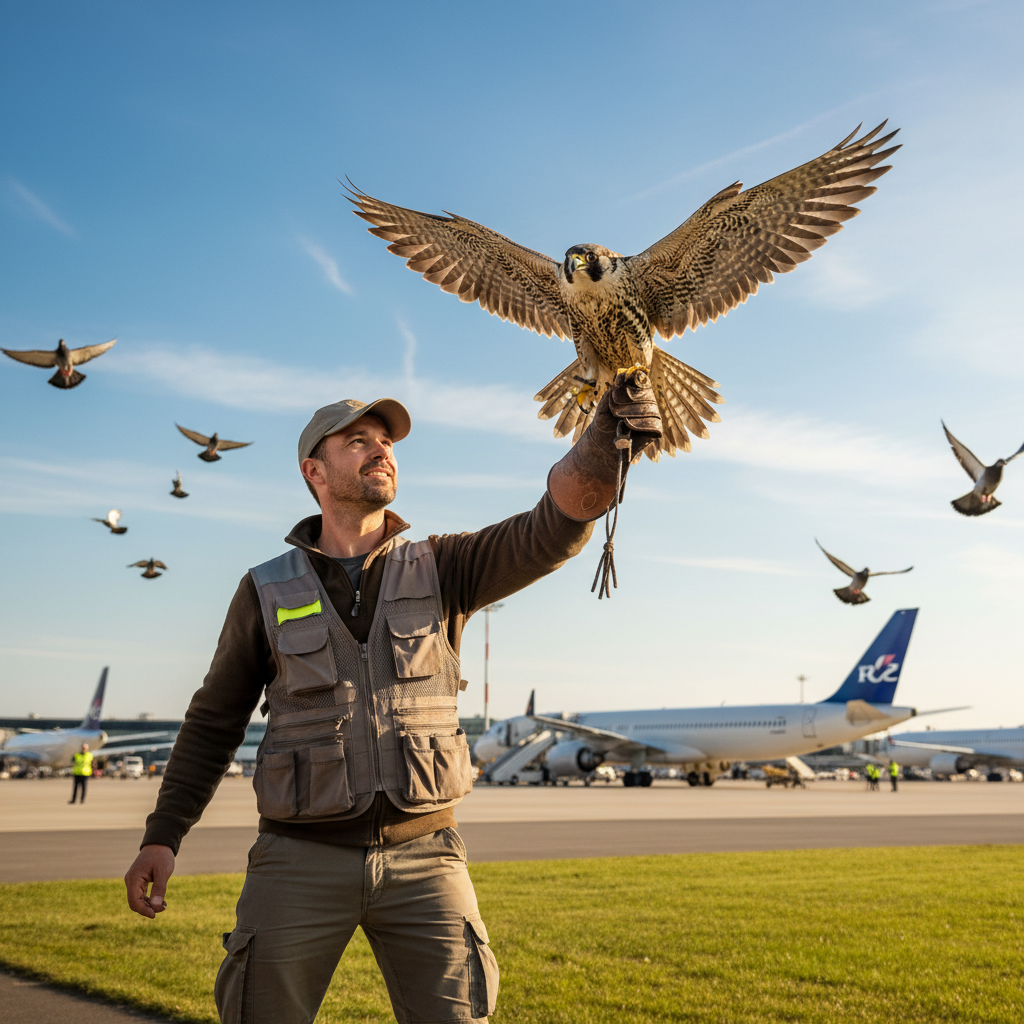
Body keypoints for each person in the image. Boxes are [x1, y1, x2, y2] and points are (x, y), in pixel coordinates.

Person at [124, 377, 661, 1024]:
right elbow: (214, 723)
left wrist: (603, 439)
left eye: (386, 441)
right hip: (297, 859)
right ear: (314, 471)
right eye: (359, 441)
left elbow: (555, 526)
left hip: (426, 856)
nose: (381, 450)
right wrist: (164, 835)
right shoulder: (265, 590)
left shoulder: (444, 566)